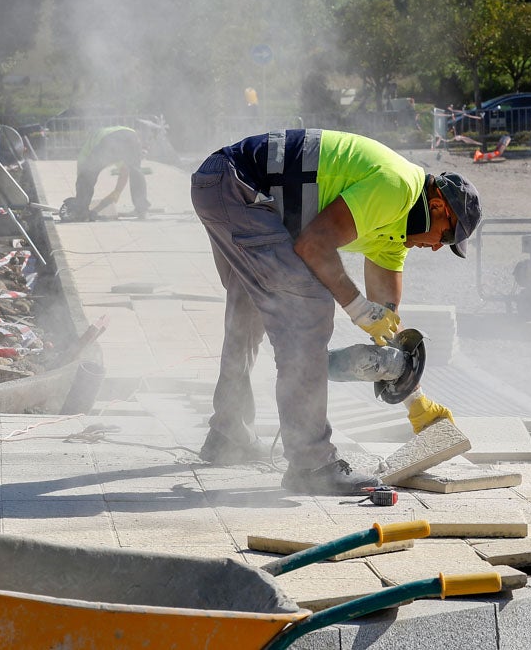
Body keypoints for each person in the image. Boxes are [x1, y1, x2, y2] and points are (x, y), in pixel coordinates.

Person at [190, 128, 481, 495]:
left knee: (248, 311)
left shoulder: (395, 234)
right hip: (237, 185)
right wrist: (356, 307)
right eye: (447, 237)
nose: (440, 248)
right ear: (439, 206)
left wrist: (415, 399)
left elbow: (387, 328)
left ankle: (227, 435)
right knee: (307, 308)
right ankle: (312, 465)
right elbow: (314, 245)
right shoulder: (397, 188)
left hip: (220, 184)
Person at [66, 125, 150, 220]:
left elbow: (83, 172)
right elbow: (125, 171)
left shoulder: (88, 146)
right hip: (132, 136)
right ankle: (142, 210)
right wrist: (117, 192)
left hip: (107, 140)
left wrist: (80, 195)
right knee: (135, 170)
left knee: (87, 174)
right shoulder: (116, 134)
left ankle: (81, 212)